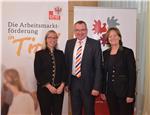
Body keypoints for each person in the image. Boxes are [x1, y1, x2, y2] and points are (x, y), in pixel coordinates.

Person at [65, 20, 103, 115]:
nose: (80, 32)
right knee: (75, 111)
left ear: (86, 30)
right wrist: (66, 83)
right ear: (74, 31)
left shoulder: (94, 44)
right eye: (77, 30)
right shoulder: (69, 43)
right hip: (73, 83)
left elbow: (98, 67)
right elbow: (66, 64)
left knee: (89, 111)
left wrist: (96, 87)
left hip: (89, 85)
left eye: (82, 30)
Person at [101, 27, 136, 115]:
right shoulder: (105, 54)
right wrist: (103, 91)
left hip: (124, 92)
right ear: (108, 40)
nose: (112, 38)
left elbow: (132, 74)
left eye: (115, 35)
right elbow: (103, 74)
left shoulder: (128, 52)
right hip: (110, 92)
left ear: (119, 37)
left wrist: (130, 94)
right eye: (110, 36)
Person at [34, 30, 66, 115]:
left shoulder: (60, 53)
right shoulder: (39, 54)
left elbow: (64, 71)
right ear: (46, 39)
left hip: (59, 91)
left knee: (57, 113)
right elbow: (38, 73)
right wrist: (49, 86)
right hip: (44, 91)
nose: (53, 39)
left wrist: (62, 86)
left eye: (55, 37)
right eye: (50, 37)